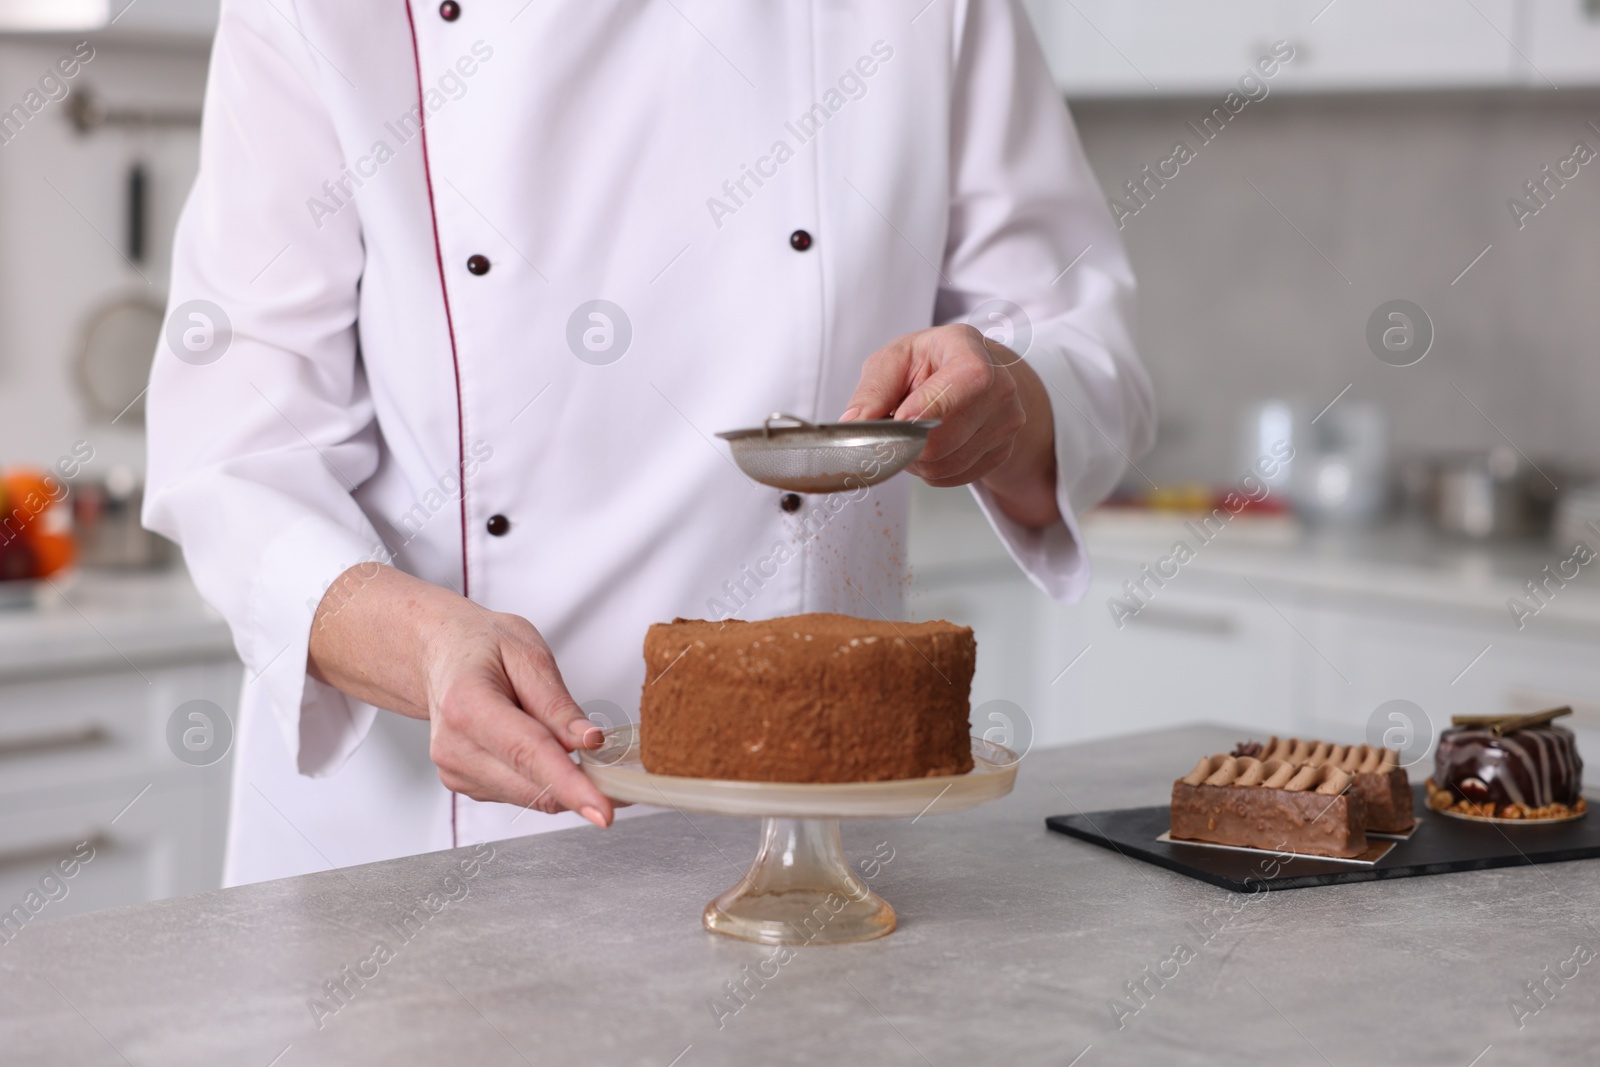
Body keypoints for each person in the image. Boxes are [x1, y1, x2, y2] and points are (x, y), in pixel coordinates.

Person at [144, 0, 1154, 886]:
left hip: (804, 851)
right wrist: (426, 649)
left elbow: (1089, 352)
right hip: (421, 851)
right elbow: (233, 456)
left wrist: (1007, 400)